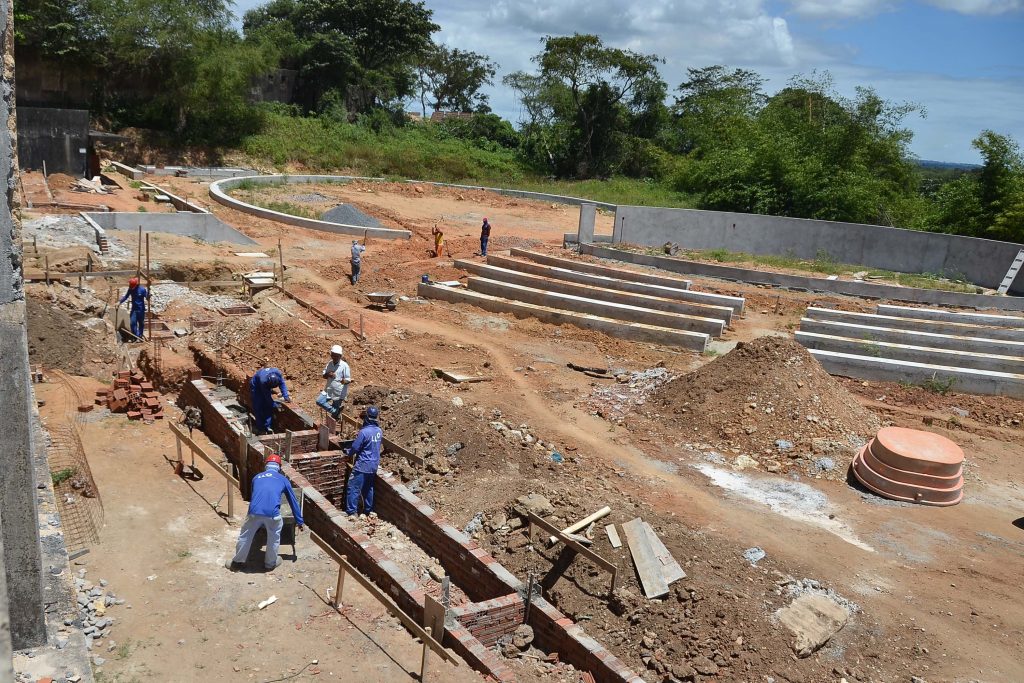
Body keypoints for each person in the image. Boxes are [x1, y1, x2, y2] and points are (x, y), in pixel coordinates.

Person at [226, 453, 304, 571]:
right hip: (273, 514)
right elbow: (293, 501)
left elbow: (256, 497)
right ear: (279, 467)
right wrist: (299, 521)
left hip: (254, 512)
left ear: (266, 465)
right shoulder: (283, 480)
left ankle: (237, 563)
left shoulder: (256, 477)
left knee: (245, 535)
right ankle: (270, 564)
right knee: (274, 537)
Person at [345, 405, 383, 516]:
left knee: (353, 487)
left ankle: (352, 512)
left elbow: (355, 447)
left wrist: (348, 453)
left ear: (367, 417)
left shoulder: (364, 432)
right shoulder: (379, 431)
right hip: (373, 465)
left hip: (362, 464)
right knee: (368, 488)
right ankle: (368, 511)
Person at [249, 367, 290, 435]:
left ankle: (268, 427)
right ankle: (260, 429)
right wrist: (274, 405)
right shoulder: (263, 381)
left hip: (265, 385)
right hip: (256, 387)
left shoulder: (278, 374)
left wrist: (286, 396)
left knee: (268, 407)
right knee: (259, 406)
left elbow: (282, 384)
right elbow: (267, 396)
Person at [316, 344, 351, 419]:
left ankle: (336, 422)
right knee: (319, 401)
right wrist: (328, 374)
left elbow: (348, 380)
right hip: (328, 390)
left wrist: (343, 381)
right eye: (333, 355)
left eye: (336, 356)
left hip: (338, 393)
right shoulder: (329, 364)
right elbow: (324, 375)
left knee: (334, 417)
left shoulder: (344, 366)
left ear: (340, 356)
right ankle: (336, 411)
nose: (334, 357)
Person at [118, 276, 149, 341]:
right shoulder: (130, 289)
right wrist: (119, 302)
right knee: (132, 323)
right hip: (134, 309)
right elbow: (126, 297)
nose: (130, 287)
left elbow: (147, 297)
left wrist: (149, 294)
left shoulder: (142, 290)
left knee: (141, 323)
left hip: (141, 310)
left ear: (136, 285)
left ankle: (139, 336)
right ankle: (136, 336)